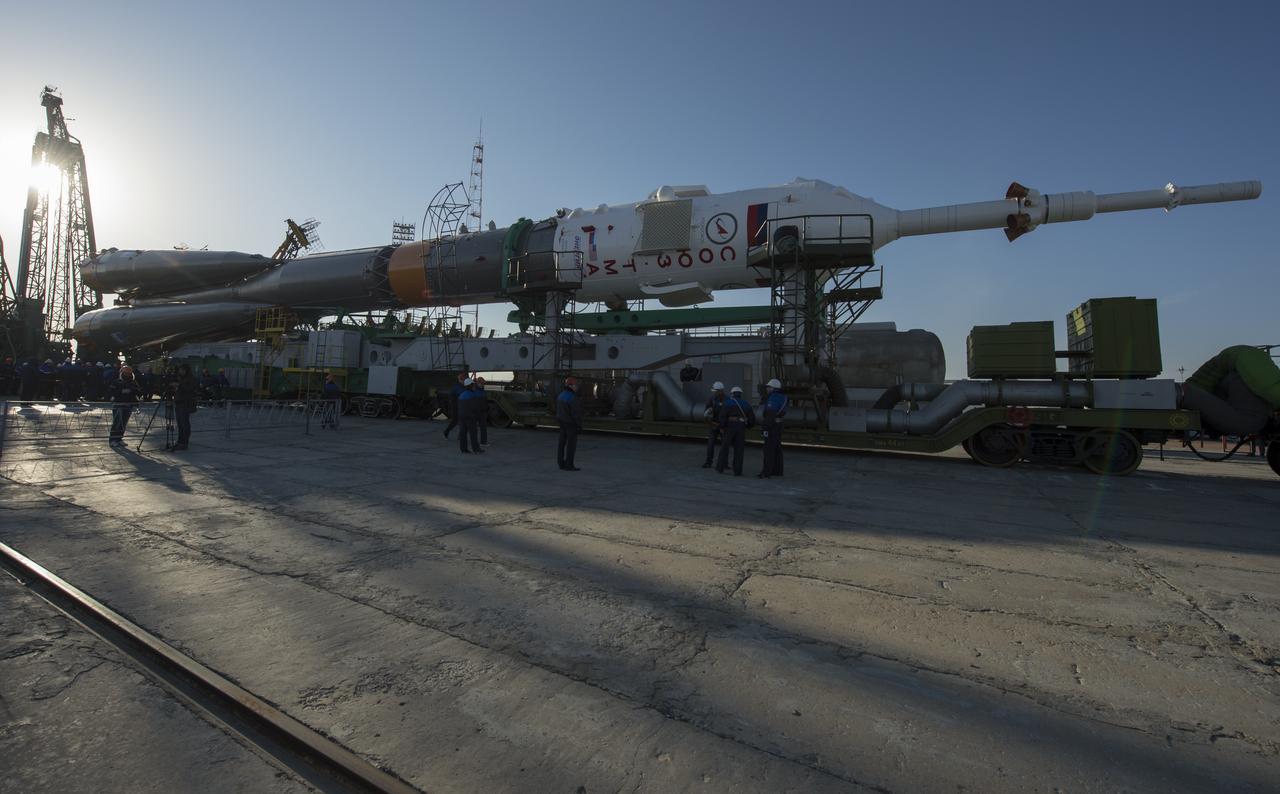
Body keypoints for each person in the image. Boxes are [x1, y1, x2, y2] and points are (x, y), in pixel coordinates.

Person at [715, 386, 756, 476]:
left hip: (729, 427)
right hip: (741, 427)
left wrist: (722, 427)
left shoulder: (728, 402)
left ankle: (720, 468)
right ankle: (737, 471)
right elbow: (752, 419)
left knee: (724, 448)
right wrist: (747, 426)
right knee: (739, 450)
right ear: (740, 394)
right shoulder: (746, 404)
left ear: (732, 394)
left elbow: (722, 416)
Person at [758, 378, 788, 479]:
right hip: (778, 425)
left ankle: (766, 472)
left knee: (768, 449)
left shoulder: (773, 398)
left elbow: (770, 415)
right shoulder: (783, 397)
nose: (767, 389)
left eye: (768, 387)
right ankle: (778, 470)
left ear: (773, 388)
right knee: (777, 448)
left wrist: (765, 428)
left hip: (772, 426)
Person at [107, 365, 141, 447]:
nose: (128, 374)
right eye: (126, 372)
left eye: (129, 373)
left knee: (123, 423)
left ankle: (119, 438)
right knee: (117, 422)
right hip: (118, 404)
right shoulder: (116, 381)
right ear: (122, 373)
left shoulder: (133, 382)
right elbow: (111, 392)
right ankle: (113, 439)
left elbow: (138, 391)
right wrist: (121, 391)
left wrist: (132, 391)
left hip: (129, 404)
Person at [556, 376, 584, 471]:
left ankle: (561, 463)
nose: (577, 387)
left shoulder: (561, 395)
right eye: (576, 385)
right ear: (571, 386)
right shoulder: (573, 398)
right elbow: (576, 414)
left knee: (561, 443)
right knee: (571, 445)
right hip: (571, 424)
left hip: (562, 422)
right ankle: (569, 465)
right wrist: (579, 425)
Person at [169, 363, 198, 450]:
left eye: (181, 370)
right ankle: (180, 442)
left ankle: (184, 443)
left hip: (186, 404)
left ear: (186, 370)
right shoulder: (181, 379)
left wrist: (179, 385)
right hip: (179, 403)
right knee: (180, 424)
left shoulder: (191, 379)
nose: (180, 371)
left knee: (184, 424)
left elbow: (189, 389)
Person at [702, 381, 727, 468]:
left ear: (721, 390)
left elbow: (729, 413)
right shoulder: (712, 399)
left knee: (724, 445)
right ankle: (709, 462)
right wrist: (709, 411)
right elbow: (706, 410)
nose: (714, 392)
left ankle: (724, 463)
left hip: (723, 426)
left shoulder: (727, 399)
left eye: (715, 391)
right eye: (713, 391)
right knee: (710, 444)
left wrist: (723, 425)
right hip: (713, 425)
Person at [457, 378, 483, 453]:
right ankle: (476, 449)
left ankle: (463, 449)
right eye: (473, 385)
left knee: (463, 433)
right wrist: (478, 416)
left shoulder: (461, 395)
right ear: (470, 386)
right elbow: (475, 407)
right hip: (470, 417)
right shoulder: (472, 395)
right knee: (473, 433)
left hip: (461, 417)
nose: (474, 386)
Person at [442, 373, 467, 439]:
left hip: (461, 406)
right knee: (455, 421)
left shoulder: (461, 386)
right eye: (463, 380)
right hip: (456, 407)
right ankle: (446, 432)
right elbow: (461, 394)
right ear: (460, 380)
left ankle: (460, 435)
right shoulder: (457, 387)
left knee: (461, 421)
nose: (464, 381)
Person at [475, 376, 490, 446]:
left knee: (483, 428)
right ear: (478, 383)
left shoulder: (482, 391)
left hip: (482, 412)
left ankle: (483, 442)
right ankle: (461, 436)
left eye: (483, 383)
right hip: (476, 412)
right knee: (471, 427)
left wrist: (486, 409)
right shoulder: (476, 391)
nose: (482, 384)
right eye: (481, 383)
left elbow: (485, 402)